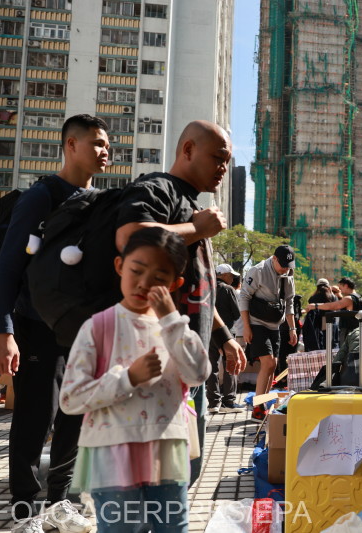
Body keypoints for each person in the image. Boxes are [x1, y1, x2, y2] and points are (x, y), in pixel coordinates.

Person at [0, 114, 109, 533]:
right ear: (70, 145)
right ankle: (25, 508)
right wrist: (3, 331)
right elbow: (7, 269)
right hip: (36, 325)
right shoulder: (41, 195)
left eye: (107, 144)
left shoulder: (100, 203)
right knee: (35, 417)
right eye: (96, 143)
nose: (105, 151)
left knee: (76, 417)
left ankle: (64, 503)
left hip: (82, 332)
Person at [115, 120, 246, 485]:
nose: (223, 167)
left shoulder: (194, 208)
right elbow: (129, 235)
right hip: (155, 365)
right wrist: (199, 229)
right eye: (217, 158)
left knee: (181, 478)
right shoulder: (158, 189)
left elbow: (199, 290)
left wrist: (224, 337)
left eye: (227, 160)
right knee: (153, 480)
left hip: (190, 365)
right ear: (187, 150)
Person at [60, 227, 210, 533]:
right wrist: (126, 378)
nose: (144, 284)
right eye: (136, 271)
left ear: (175, 283)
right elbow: (69, 399)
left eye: (159, 278)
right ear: (119, 266)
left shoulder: (174, 328)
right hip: (112, 449)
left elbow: (198, 374)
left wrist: (171, 319)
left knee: (173, 528)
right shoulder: (97, 327)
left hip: (166, 449)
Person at [239, 245, 297, 419]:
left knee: (273, 365)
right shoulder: (257, 271)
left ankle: (262, 403)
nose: (285, 269)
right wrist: (246, 327)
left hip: (275, 325)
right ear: (274, 259)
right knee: (268, 363)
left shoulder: (288, 274)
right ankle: (258, 406)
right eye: (283, 265)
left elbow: (289, 302)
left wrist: (292, 328)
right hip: (256, 322)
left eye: (289, 265)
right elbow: (244, 297)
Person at [206, 264, 241, 414]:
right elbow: (237, 313)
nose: (232, 278)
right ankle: (229, 401)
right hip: (227, 334)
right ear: (225, 275)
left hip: (209, 332)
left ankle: (213, 402)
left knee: (211, 365)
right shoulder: (228, 289)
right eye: (231, 275)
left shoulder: (208, 287)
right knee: (230, 366)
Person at [306, 277, 362, 349]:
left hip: (348, 331)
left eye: (340, 288)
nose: (339, 290)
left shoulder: (348, 298)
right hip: (357, 330)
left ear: (346, 286)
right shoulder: (358, 297)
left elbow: (333, 306)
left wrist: (315, 306)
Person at [302, 279, 337, 351]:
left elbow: (310, 304)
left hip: (317, 322)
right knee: (329, 342)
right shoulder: (332, 297)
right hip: (330, 320)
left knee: (319, 341)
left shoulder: (313, 297)